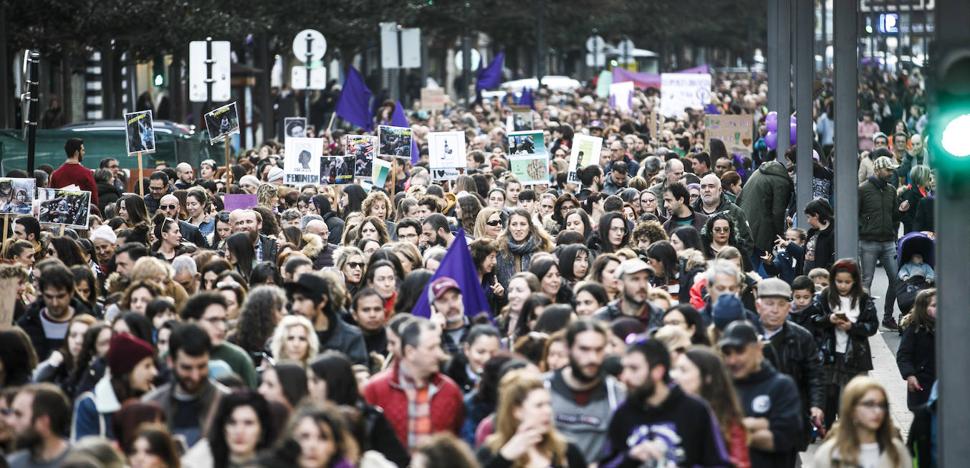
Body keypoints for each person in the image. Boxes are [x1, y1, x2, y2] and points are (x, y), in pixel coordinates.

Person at [602, 338, 730, 467]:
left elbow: (718, 462)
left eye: (634, 369)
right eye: (624, 369)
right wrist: (630, 457)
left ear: (658, 371)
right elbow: (607, 463)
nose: (626, 377)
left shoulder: (695, 410)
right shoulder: (622, 413)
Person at [362, 317, 465, 451]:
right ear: (410, 352)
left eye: (439, 346)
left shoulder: (450, 391)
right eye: (431, 348)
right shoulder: (375, 389)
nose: (440, 354)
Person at [719, 320, 803, 468]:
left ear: (758, 348)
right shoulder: (722, 386)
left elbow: (783, 439)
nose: (732, 360)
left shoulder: (781, 386)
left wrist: (731, 430)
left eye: (739, 351)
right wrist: (755, 426)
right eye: (727, 353)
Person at [754, 277, 825, 447]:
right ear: (758, 306)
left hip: (790, 414)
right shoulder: (746, 334)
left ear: (788, 307)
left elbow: (814, 374)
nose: (775, 310)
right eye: (769, 303)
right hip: (754, 414)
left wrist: (816, 405)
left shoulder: (802, 337)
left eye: (781, 304)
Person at [306, 351, 409, 466]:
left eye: (315, 381)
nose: (310, 387)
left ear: (334, 382)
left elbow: (399, 460)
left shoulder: (370, 418)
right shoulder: (308, 418)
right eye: (308, 380)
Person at [545, 318, 625, 464]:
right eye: (584, 349)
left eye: (598, 349)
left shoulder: (617, 395)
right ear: (568, 348)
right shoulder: (541, 388)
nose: (592, 358)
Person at [812, 258, 879, 428]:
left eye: (847, 282)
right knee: (829, 398)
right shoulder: (825, 296)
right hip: (829, 354)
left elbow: (872, 326)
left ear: (855, 281)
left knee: (851, 400)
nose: (842, 285)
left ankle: (848, 433)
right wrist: (829, 319)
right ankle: (828, 431)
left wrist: (852, 327)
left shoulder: (863, 299)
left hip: (855, 355)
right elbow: (814, 320)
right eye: (839, 281)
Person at [142, 323, 231, 448]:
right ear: (171, 362)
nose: (195, 376)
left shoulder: (227, 403)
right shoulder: (152, 405)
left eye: (202, 366)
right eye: (187, 368)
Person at [477, 370, 587, 468]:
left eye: (549, 404)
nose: (548, 411)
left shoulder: (566, 450)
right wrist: (505, 457)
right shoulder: (491, 453)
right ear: (517, 411)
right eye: (539, 405)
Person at [672, 346, 750, 468]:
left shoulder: (728, 420)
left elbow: (741, 463)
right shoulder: (669, 410)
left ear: (707, 378)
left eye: (683, 370)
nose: (675, 376)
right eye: (675, 369)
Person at [72, 333, 157, 440]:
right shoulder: (90, 405)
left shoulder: (153, 401)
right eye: (147, 366)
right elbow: (82, 451)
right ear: (128, 371)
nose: (154, 372)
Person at [811, 376, 911, 468]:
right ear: (852, 408)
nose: (877, 411)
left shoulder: (896, 451)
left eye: (882, 405)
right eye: (869, 404)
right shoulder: (830, 453)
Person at [859, 156, 905, 330]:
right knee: (867, 281)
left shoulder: (891, 190)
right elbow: (855, 212)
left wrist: (900, 211)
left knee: (896, 280)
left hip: (887, 242)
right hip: (868, 241)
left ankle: (887, 316)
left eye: (892, 170)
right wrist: (864, 226)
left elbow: (894, 216)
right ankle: (866, 316)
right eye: (888, 170)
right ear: (878, 170)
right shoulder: (863, 189)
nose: (891, 173)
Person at [178, 292, 258, 388]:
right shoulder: (173, 354)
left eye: (223, 320)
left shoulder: (239, 359)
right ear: (192, 321)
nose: (222, 327)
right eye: (213, 320)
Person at [285, 272, 367, 365]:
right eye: (294, 300)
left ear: (322, 301)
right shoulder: (285, 335)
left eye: (301, 300)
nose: (295, 307)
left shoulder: (350, 338)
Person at [18, 261, 93, 361]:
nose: (55, 303)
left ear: (71, 293)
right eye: (49, 297)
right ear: (42, 293)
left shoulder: (88, 320)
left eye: (60, 296)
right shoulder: (27, 322)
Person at [736, 159, 792, 262]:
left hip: (744, 223)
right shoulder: (781, 181)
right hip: (762, 230)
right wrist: (780, 235)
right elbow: (778, 212)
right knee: (761, 264)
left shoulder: (758, 172)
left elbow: (739, 198)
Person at [5, 383, 73, 468]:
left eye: (19, 415)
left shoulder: (81, 462)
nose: (9, 421)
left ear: (44, 422)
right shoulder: (13, 463)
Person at [593, 258, 663, 329]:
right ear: (620, 285)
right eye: (635, 279)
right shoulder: (603, 318)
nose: (642, 285)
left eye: (645, 279)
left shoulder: (660, 316)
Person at [896, 288, 936, 410]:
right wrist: (910, 375)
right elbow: (904, 355)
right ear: (923, 309)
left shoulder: (949, 327)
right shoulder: (915, 329)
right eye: (934, 305)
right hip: (922, 382)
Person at [50, 138, 99, 208]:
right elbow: (94, 200)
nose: (84, 153)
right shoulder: (87, 173)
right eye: (82, 150)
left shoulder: (55, 174)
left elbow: (52, 198)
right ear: (76, 152)